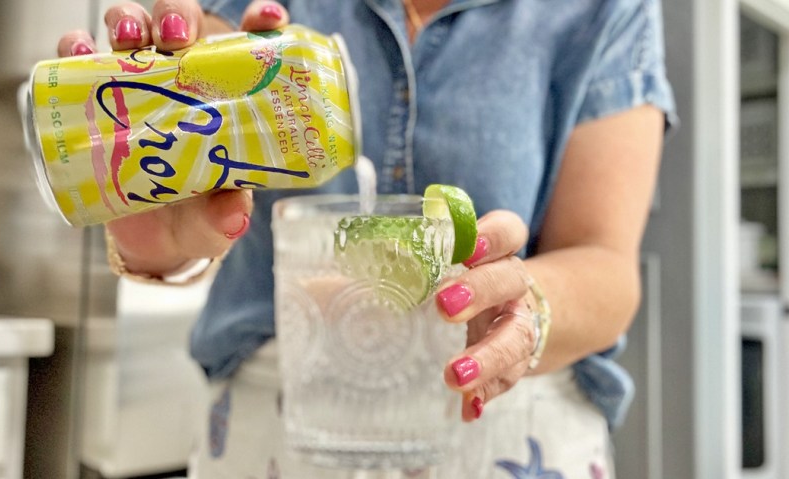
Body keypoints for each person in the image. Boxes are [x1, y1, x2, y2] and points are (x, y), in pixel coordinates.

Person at [58, 0, 676, 477]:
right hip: (280, 433)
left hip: (504, 433)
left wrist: (526, 303)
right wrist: (161, 230)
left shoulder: (604, 10)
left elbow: (607, 266)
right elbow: (192, 208)